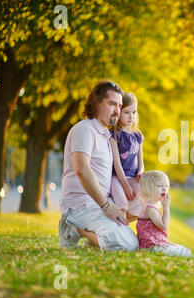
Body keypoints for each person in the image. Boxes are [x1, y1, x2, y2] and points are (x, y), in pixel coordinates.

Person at [58, 80, 138, 251]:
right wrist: (106, 206)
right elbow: (82, 169)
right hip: (81, 204)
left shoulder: (106, 135)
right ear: (96, 103)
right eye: (112, 104)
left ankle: (95, 231)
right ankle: (74, 225)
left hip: (100, 202)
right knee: (126, 245)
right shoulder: (84, 129)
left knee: (143, 204)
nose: (117, 110)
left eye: (119, 105)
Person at [109, 92, 144, 220]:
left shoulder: (137, 136)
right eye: (126, 112)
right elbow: (116, 163)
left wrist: (140, 173)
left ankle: (126, 224)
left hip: (133, 177)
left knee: (146, 200)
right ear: (118, 113)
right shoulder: (115, 134)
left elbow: (141, 161)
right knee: (122, 203)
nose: (131, 116)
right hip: (117, 178)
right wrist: (125, 185)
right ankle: (118, 228)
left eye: (134, 112)